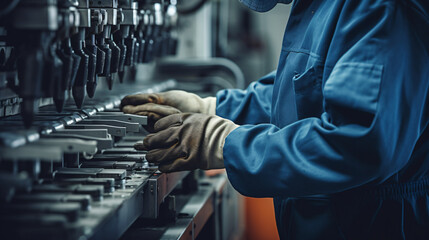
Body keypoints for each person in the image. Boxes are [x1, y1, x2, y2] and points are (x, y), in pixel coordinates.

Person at [120, 0, 429, 239]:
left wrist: (225, 143)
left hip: (377, 225)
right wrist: (213, 109)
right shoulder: (320, 6)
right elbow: (307, 91)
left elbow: (360, 141)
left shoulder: (379, 8)